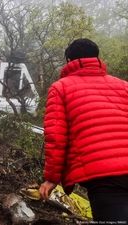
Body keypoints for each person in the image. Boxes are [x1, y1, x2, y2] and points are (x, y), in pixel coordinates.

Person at [39, 38, 128, 222]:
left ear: (69, 61)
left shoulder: (60, 88)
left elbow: (56, 137)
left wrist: (51, 178)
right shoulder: (123, 86)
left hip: (103, 175)